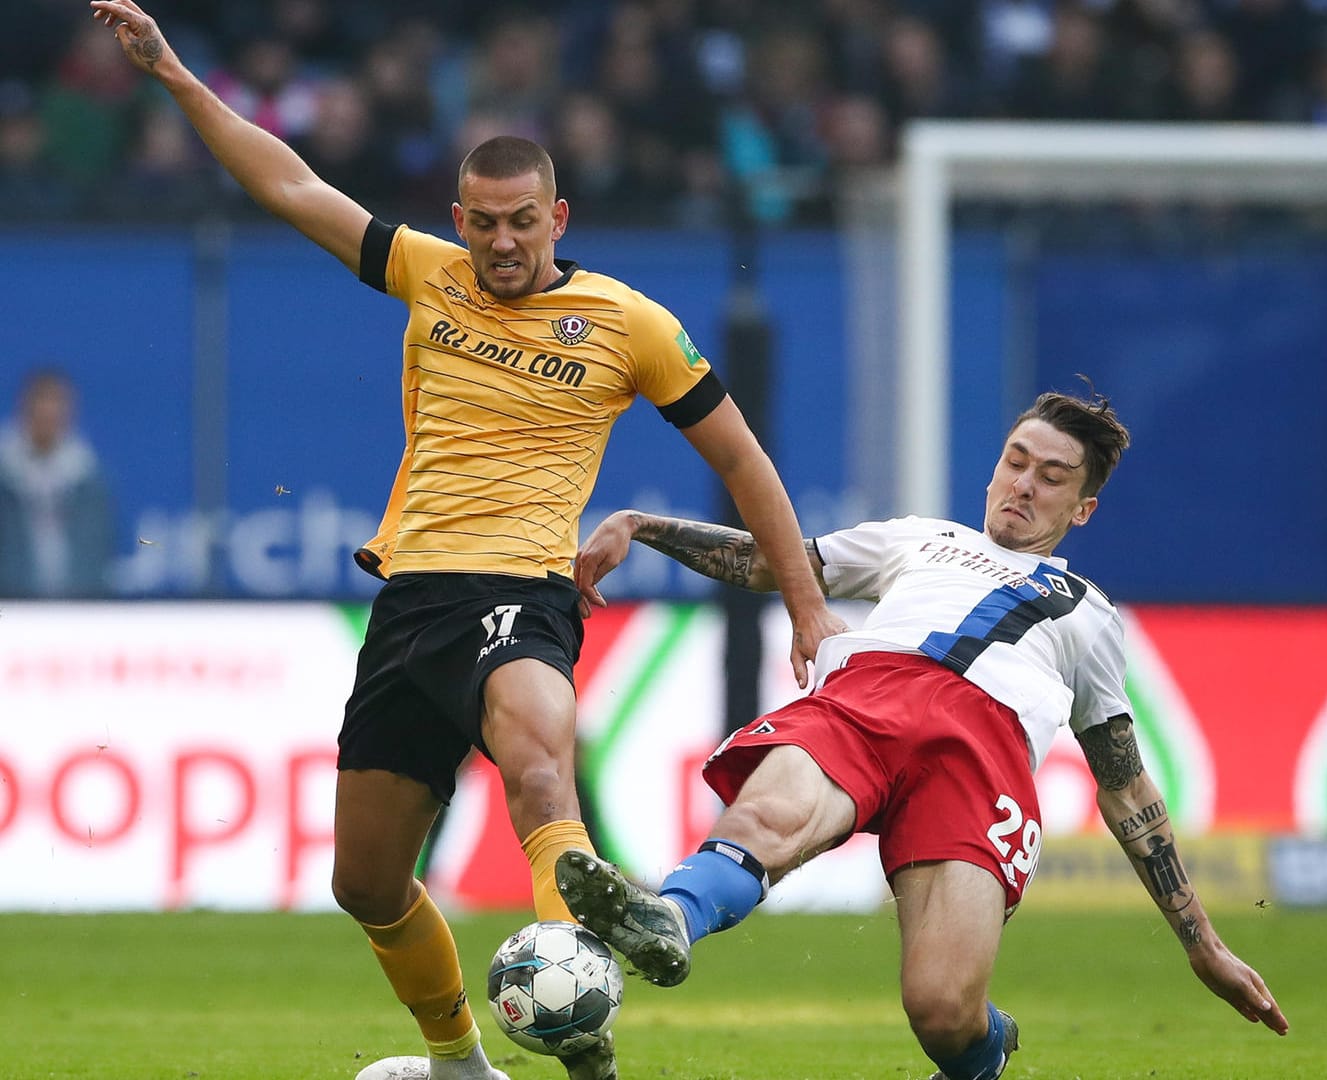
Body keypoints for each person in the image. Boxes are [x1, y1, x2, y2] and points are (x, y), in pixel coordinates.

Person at [91, 4, 844, 1080]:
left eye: (521, 223)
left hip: (522, 589)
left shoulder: (629, 324)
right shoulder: (425, 272)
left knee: (539, 768)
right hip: (411, 604)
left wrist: (806, 603)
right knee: (367, 882)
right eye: (483, 222)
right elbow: (290, 184)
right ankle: (459, 1063)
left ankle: (582, 1017)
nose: (500, 243)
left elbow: (745, 462)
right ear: (460, 217)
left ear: (557, 215)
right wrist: (171, 72)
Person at [560, 390, 1288, 1080]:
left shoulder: (1088, 615)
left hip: (979, 759)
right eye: (1015, 461)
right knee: (768, 816)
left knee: (942, 1012)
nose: (1023, 484)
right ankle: (670, 920)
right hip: (868, 697)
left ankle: (986, 1049)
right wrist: (642, 525)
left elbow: (1125, 787)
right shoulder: (921, 539)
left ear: (1084, 508)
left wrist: (1205, 946)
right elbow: (770, 562)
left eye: (1052, 476)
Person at [0, 368, 117, 598]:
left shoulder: (89, 478)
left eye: (56, 410)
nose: (48, 417)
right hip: (12, 605)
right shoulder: (5, 474)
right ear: (25, 410)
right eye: (41, 408)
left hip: (76, 609)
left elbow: (97, 550)